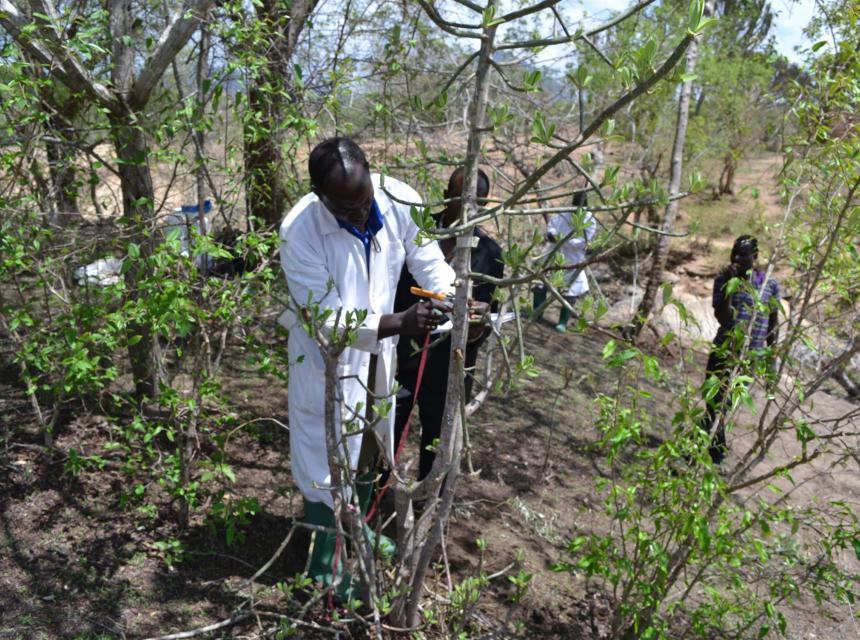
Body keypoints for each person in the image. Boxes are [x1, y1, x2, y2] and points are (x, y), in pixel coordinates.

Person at [278, 137, 456, 599]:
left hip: (381, 355)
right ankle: (324, 565)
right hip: (325, 362)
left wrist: (453, 304)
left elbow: (432, 265)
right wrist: (399, 321)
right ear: (320, 195)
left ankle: (353, 531)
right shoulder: (299, 231)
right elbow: (325, 318)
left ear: (372, 177)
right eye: (344, 208)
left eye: (362, 202)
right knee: (325, 455)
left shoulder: (401, 201)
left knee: (368, 445)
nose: (357, 215)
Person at [392, 166, 503, 482]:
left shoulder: (490, 254)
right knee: (383, 434)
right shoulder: (419, 231)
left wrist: (478, 324)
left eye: (476, 202)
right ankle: (369, 501)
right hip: (400, 358)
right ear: (445, 195)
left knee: (436, 450)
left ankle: (424, 514)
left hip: (447, 372)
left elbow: (482, 320)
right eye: (459, 198)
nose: (467, 209)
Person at [700, 235, 780, 464]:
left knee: (725, 404)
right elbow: (722, 317)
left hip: (750, 357)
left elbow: (772, 325)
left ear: (755, 256)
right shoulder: (723, 279)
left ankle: (706, 447)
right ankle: (715, 452)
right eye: (734, 253)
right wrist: (727, 285)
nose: (736, 258)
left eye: (743, 254)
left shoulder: (769, 284)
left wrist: (771, 361)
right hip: (724, 350)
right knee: (713, 400)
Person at [532, 190, 596, 332]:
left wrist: (566, 240)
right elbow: (552, 227)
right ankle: (537, 314)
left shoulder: (590, 220)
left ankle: (562, 322)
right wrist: (554, 235)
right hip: (553, 254)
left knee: (570, 291)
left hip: (573, 260)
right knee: (540, 284)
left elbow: (585, 241)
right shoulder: (563, 214)